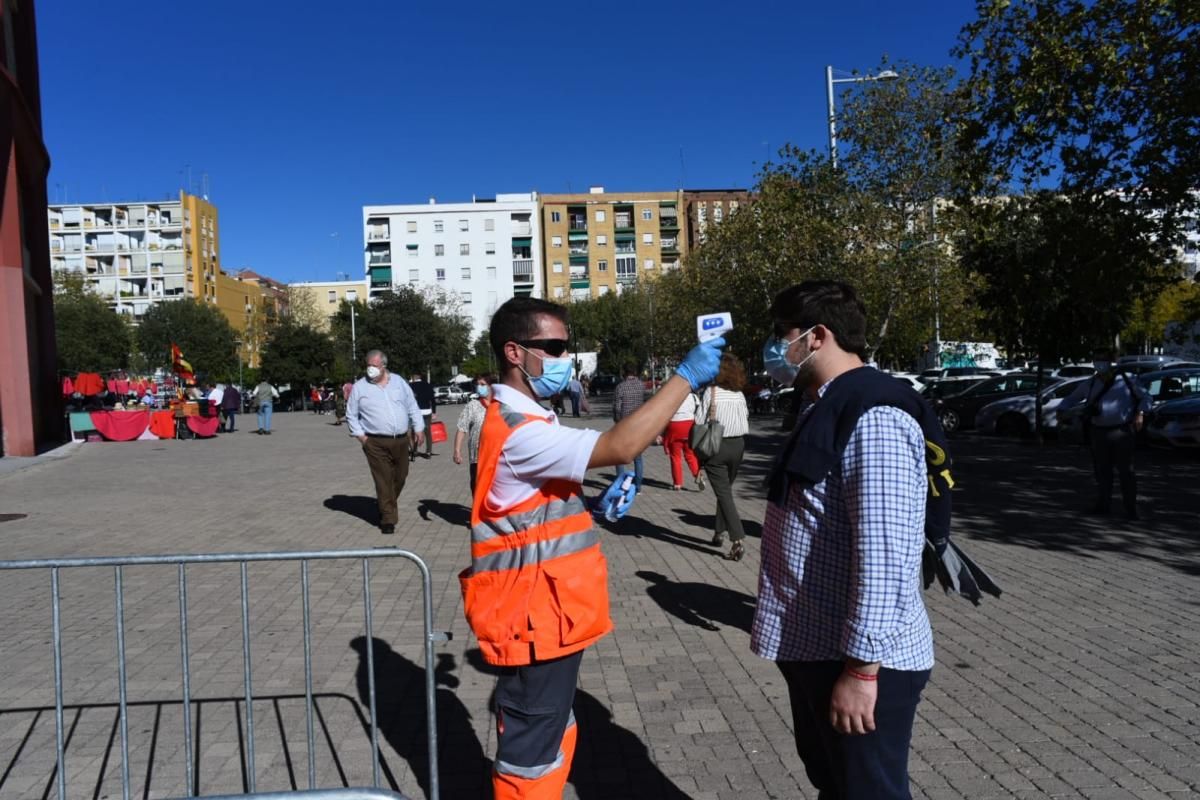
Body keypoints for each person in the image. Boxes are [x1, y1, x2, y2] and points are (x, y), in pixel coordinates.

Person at [460, 296, 724, 800]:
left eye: (567, 345)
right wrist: (684, 378)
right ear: (515, 352)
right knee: (530, 756)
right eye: (554, 347)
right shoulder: (518, 431)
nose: (566, 356)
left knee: (550, 735)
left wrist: (588, 504)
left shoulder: (530, 418)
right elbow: (623, 445)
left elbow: (533, 509)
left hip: (544, 615)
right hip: (533, 620)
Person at [753, 280, 936, 800]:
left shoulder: (874, 416)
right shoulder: (826, 403)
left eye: (779, 334)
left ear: (817, 336)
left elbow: (885, 555)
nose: (773, 347)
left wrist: (861, 671)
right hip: (820, 647)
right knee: (837, 786)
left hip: (858, 661)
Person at [1059, 349, 1150, 519]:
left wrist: (1140, 413)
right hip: (1098, 433)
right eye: (1096, 360)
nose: (1100, 363)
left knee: (1126, 472)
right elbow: (1071, 398)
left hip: (1122, 431)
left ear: (1111, 362)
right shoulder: (1091, 383)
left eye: (1103, 360)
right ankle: (1103, 504)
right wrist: (1062, 409)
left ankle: (1131, 508)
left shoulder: (1126, 379)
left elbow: (1146, 398)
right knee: (1102, 471)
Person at [347, 351, 426, 535]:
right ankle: (388, 519)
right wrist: (361, 437)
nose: (371, 369)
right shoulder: (360, 387)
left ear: (384, 365)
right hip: (374, 441)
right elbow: (351, 414)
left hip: (400, 439)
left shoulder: (399, 382)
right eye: (368, 365)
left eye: (374, 365)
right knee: (383, 480)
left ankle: (386, 504)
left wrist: (419, 428)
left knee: (400, 476)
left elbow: (412, 405)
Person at [697, 354, 751, 559]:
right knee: (724, 491)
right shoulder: (739, 394)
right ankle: (718, 532)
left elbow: (699, 419)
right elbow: (745, 416)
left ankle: (737, 540)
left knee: (724, 494)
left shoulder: (712, 393)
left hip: (716, 447)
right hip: (738, 445)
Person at [452, 374, 495, 494]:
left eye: (482, 384)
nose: (479, 387)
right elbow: (462, 428)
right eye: (477, 385)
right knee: (477, 487)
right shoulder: (472, 405)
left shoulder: (499, 405)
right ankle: (477, 511)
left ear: (491, 386)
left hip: (496, 455)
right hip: (477, 455)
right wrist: (457, 450)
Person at [659, 391, 705, 492]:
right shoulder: (693, 397)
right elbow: (698, 412)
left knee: (675, 457)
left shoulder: (671, 396)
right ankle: (698, 475)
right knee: (690, 455)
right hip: (689, 425)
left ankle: (677, 483)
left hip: (674, 426)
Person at [612, 362, 647, 490]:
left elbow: (617, 407)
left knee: (619, 455)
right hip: (638, 424)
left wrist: (616, 421)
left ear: (624, 372)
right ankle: (638, 486)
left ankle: (621, 484)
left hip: (624, 424)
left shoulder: (620, 387)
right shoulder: (641, 386)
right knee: (638, 457)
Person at [408, 373, 436, 460]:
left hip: (415, 412)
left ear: (413, 378)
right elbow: (433, 399)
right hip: (427, 411)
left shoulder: (410, 386)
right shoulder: (428, 385)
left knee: (414, 432)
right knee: (427, 432)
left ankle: (414, 450)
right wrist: (434, 412)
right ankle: (428, 452)